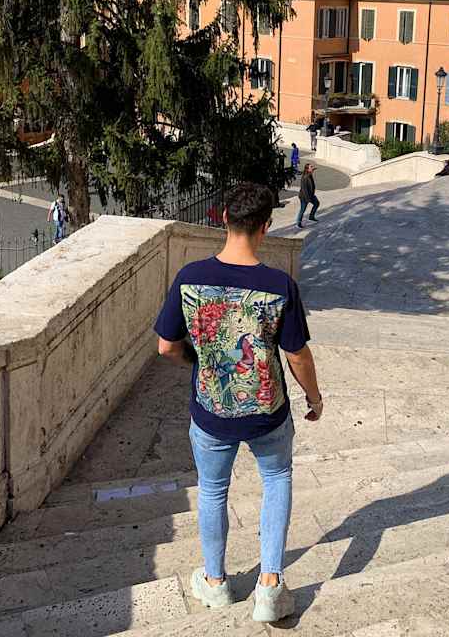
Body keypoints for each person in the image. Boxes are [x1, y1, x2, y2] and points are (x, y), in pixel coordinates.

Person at [154, 182, 323, 623]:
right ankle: (269, 586)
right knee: (278, 478)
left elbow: (165, 347)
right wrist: (314, 396)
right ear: (266, 227)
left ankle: (215, 583)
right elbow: (297, 354)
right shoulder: (279, 285)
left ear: (223, 216)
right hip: (269, 411)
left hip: (211, 411)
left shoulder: (189, 279)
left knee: (212, 491)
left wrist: (200, 362)